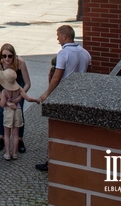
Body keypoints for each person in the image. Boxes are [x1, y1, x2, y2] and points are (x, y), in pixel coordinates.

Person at [35, 25, 92, 172]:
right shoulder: (85, 53)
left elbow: (57, 77)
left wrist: (47, 93)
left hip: (64, 95)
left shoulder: (64, 53)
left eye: (58, 35)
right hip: (81, 95)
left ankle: (53, 161)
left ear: (65, 37)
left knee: (58, 129)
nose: (57, 38)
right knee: (76, 128)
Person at [0, 43, 32, 154]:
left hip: (18, 86)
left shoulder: (21, 63)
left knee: (18, 112)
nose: (7, 59)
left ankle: (19, 139)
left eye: (10, 56)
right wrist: (3, 99)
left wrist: (20, 97)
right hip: (4, 87)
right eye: (4, 56)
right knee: (2, 111)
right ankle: (1, 137)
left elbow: (28, 83)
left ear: (14, 56)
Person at [0, 69, 39, 161]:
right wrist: (35, 100)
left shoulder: (4, 91)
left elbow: (2, 104)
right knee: (16, 134)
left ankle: (8, 154)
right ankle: (15, 153)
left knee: (7, 134)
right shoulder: (19, 89)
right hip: (18, 111)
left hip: (8, 113)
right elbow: (27, 98)